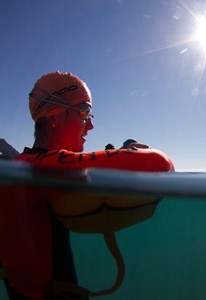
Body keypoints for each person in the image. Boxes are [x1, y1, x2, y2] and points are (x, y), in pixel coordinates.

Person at [0, 71, 174, 299]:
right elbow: (159, 164)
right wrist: (126, 152)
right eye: (85, 112)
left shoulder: (34, 167)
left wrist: (120, 152)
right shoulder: (35, 169)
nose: (91, 125)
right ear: (53, 117)